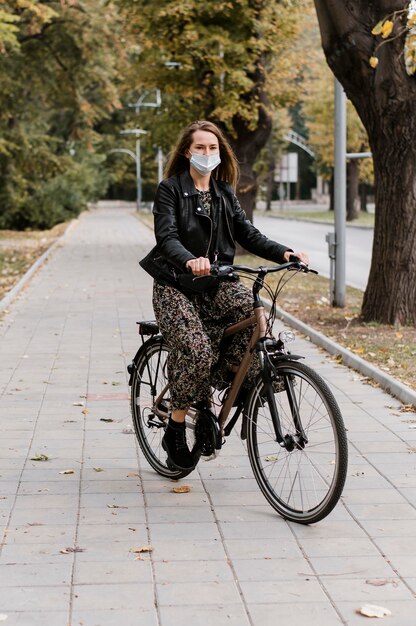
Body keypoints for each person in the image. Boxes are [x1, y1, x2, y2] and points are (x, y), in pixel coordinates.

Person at [140, 120, 308, 471]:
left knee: (255, 315)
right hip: (176, 284)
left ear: (220, 153)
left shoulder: (223, 193)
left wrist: (285, 254)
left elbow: (248, 234)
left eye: (212, 148)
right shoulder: (170, 189)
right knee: (198, 351)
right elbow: (167, 237)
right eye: (200, 147)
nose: (206, 153)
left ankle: (234, 389)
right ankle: (176, 424)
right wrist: (190, 260)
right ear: (188, 151)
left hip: (216, 282)